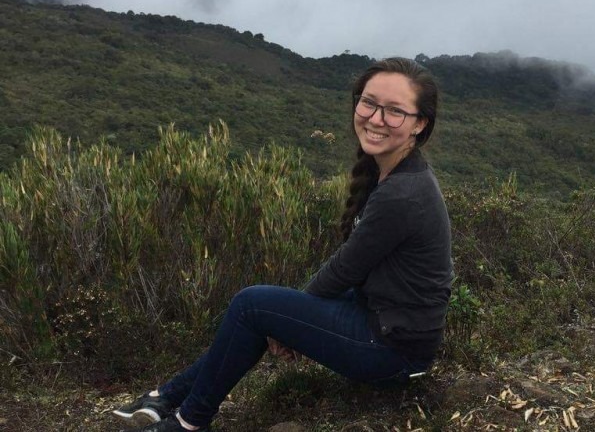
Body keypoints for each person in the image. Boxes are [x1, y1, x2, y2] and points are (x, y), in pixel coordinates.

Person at [113, 57, 453, 432]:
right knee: (262, 310)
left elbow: (345, 268)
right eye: (368, 102)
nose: (375, 118)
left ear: (419, 124)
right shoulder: (390, 171)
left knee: (252, 305)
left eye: (394, 112)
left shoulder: (403, 193)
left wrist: (285, 326)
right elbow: (352, 273)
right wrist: (288, 321)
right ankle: (169, 396)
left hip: (392, 352)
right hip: (382, 322)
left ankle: (188, 421)